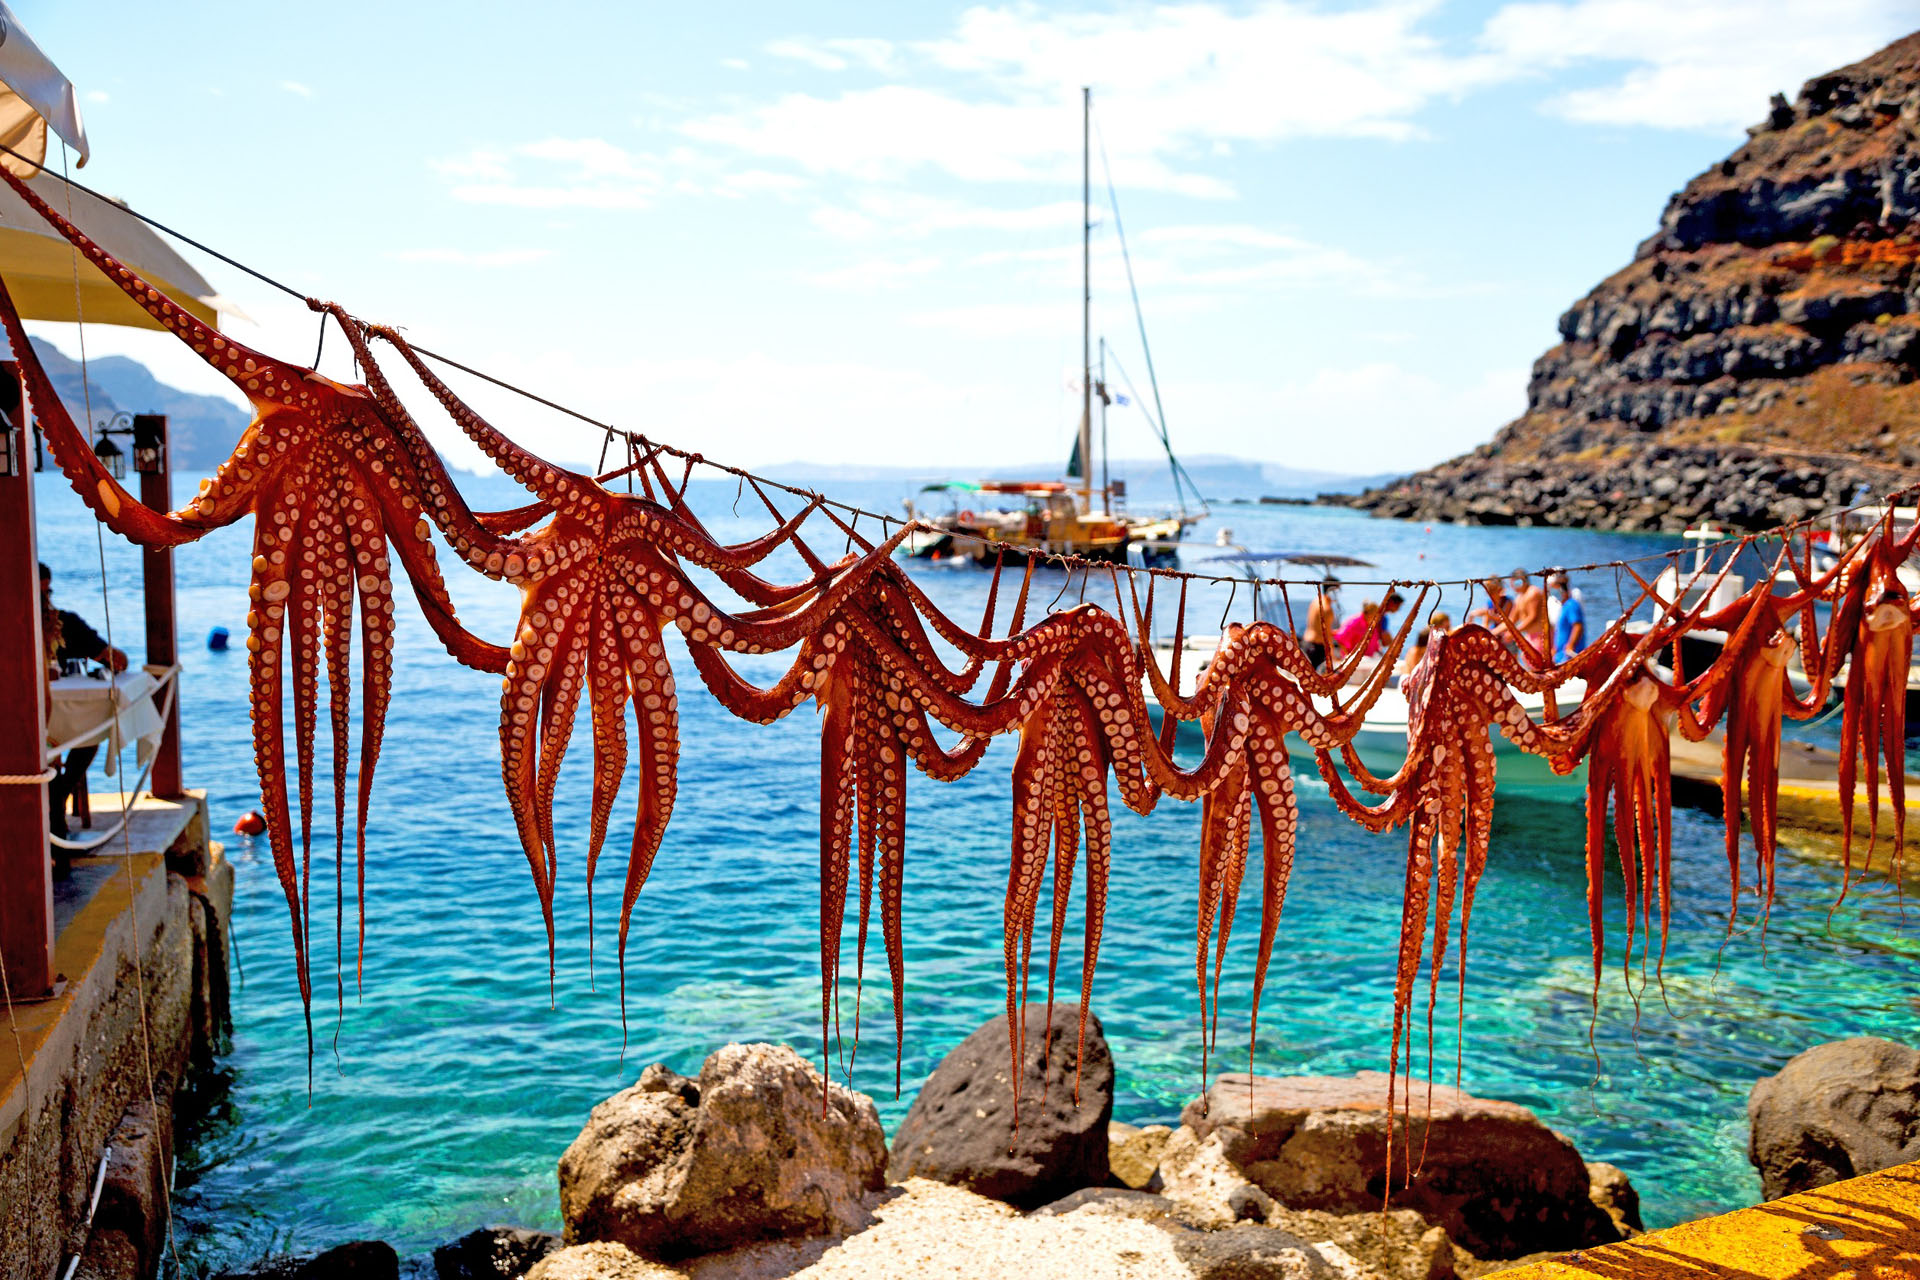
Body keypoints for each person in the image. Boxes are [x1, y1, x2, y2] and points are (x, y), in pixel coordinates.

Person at [41, 563, 129, 838]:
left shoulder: (64, 622)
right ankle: (55, 799)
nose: (44, 601)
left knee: (93, 727)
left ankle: (61, 791)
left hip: (64, 714)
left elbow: (116, 657)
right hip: (26, 723)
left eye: (47, 593)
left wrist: (108, 656)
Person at [1507, 569, 1550, 666]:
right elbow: (1511, 620)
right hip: (1530, 637)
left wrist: (1514, 632)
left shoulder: (1532, 592)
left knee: (1541, 666)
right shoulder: (1519, 597)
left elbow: (1532, 617)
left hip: (1541, 637)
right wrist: (1492, 632)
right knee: (1529, 662)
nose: (1512, 587)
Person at [1301, 578, 1341, 670]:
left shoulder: (1316, 601)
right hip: (1317, 647)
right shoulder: (1327, 609)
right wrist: (1332, 655)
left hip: (1306, 642)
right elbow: (1326, 635)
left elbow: (1316, 625)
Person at [1550, 574, 1585, 663]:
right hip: (1560, 655)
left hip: (1569, 656)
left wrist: (1570, 646)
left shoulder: (1572, 605)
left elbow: (1578, 626)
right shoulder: (1563, 607)